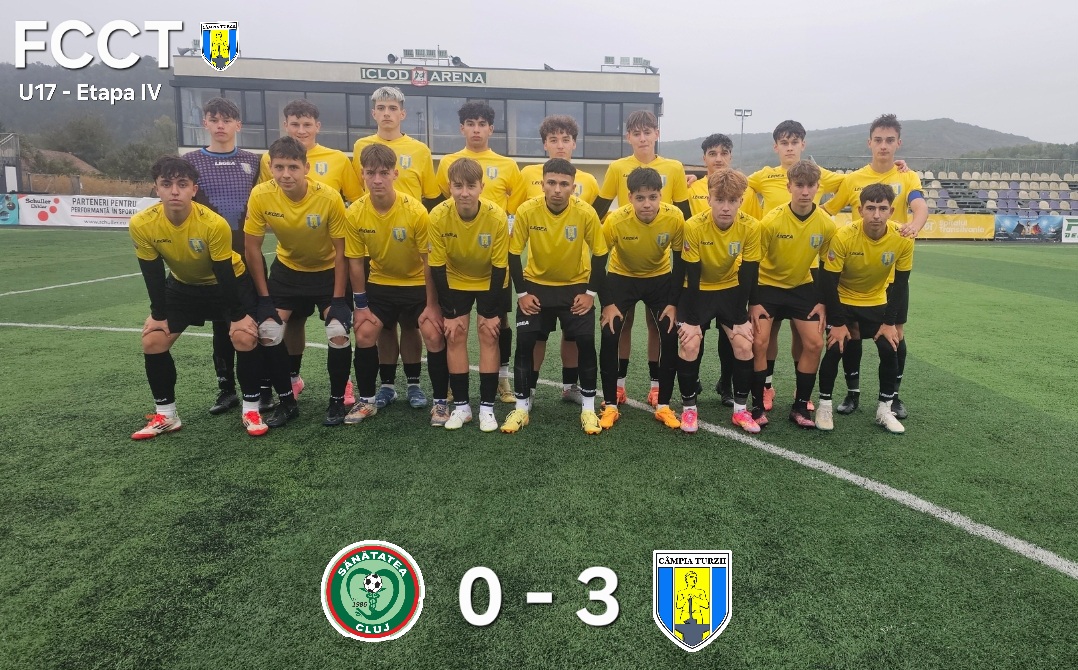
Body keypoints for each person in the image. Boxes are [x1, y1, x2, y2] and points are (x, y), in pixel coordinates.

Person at [129, 156, 271, 439]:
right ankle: (166, 415)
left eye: (182, 184)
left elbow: (223, 272)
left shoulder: (213, 224)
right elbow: (153, 273)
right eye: (166, 184)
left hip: (228, 283)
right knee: (153, 340)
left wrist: (237, 316)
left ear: (194, 189)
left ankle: (251, 410)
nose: (174, 191)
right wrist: (158, 315)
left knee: (244, 337)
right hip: (183, 287)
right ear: (156, 188)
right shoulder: (142, 224)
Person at [821, 114, 927, 420]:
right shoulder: (853, 180)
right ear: (869, 143)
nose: (883, 145)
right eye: (878, 140)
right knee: (851, 335)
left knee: (895, 336)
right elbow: (826, 211)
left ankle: (893, 398)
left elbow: (919, 205)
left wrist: (914, 226)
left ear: (898, 143)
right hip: (855, 273)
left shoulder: (908, 177)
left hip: (891, 275)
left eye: (889, 140)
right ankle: (852, 393)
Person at [258, 99, 362, 402]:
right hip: (290, 263)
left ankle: (344, 382)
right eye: (295, 124)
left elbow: (356, 201)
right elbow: (270, 199)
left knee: (338, 326)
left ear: (317, 126)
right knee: (293, 321)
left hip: (330, 263)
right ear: (285, 125)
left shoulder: (337, 159)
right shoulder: (270, 158)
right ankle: (293, 377)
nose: (301, 130)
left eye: (307, 124)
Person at [244, 136, 351, 427]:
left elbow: (342, 251)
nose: (286, 174)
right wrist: (264, 299)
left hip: (327, 272)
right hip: (288, 272)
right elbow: (252, 249)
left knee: (338, 331)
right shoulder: (260, 195)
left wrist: (339, 300)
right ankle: (287, 402)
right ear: (270, 167)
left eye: (293, 167)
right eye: (279, 167)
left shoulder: (328, 197)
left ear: (306, 167)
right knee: (268, 331)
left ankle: (337, 401)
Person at [592, 110, 692, 408]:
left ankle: (656, 386)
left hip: (659, 262)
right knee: (620, 325)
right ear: (629, 137)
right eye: (637, 133)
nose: (643, 138)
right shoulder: (617, 168)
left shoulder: (673, 167)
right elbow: (599, 208)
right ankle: (618, 386)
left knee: (656, 326)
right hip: (624, 261)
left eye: (648, 132)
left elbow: (686, 215)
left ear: (657, 134)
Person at [500, 158, 608, 435]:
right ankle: (522, 407)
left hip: (575, 287)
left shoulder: (585, 212)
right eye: (551, 183)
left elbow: (600, 253)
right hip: (536, 287)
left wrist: (590, 293)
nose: (557, 189)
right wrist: (522, 293)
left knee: (585, 342)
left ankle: (588, 409)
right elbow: (513, 253)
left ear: (573, 187)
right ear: (543, 184)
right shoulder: (527, 210)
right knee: (526, 343)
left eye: (563, 184)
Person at [343, 144, 448, 426]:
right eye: (370, 173)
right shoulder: (355, 212)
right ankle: (370, 399)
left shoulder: (415, 211)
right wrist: (361, 305)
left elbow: (429, 262)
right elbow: (355, 262)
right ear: (362, 175)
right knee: (366, 332)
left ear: (395, 174)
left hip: (417, 284)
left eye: (383, 173)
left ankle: (438, 402)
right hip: (380, 283)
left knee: (432, 333)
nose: (377, 179)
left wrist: (432, 305)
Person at [746, 121, 844, 414]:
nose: (805, 191)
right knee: (761, 340)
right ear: (788, 187)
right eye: (799, 186)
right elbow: (753, 262)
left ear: (818, 187)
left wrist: (823, 301)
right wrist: (753, 300)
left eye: (810, 186)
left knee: (813, 342)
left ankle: (800, 403)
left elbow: (827, 267)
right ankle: (761, 396)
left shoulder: (826, 224)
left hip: (803, 284)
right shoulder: (771, 220)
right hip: (768, 285)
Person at [352, 86, 440, 411]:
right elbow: (358, 192)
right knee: (384, 327)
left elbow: (431, 197)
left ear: (402, 113)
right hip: (379, 252)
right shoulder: (361, 146)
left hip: (413, 248)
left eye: (392, 107)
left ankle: (414, 385)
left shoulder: (420, 149)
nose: (387, 113)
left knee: (412, 326)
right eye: (381, 107)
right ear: (373, 112)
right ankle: (386, 385)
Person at [435, 101, 525, 404]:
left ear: (491, 129)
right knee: (453, 326)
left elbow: (515, 208)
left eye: (482, 124)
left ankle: (502, 379)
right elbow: (443, 203)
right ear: (462, 128)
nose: (476, 129)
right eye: (470, 123)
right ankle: (452, 384)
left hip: (495, 256)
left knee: (499, 323)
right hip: (458, 258)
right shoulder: (448, 162)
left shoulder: (508, 165)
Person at [182, 97, 261, 416]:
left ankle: (260, 388)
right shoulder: (190, 161)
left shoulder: (254, 161)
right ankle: (226, 389)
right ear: (205, 123)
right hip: (210, 256)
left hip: (247, 253)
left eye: (226, 120)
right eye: (214, 119)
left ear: (238, 125)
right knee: (221, 324)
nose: (220, 126)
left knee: (253, 320)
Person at [816, 183, 914, 434]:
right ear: (860, 210)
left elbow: (900, 284)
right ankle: (824, 406)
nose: (876, 215)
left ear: (891, 211)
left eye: (882, 208)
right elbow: (829, 282)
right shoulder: (844, 236)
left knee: (890, 347)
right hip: (844, 298)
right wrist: (838, 323)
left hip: (876, 299)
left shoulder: (902, 238)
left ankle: (885, 409)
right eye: (870, 208)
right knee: (835, 347)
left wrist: (889, 323)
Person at [519, 115, 600, 404]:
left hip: (575, 275)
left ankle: (570, 386)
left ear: (574, 143)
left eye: (566, 139)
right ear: (545, 144)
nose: (560, 145)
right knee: (536, 336)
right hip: (538, 275)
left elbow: (593, 222)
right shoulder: (527, 175)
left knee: (573, 334)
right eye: (553, 139)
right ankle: (528, 389)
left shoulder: (588, 181)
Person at [597, 167, 684, 431]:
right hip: (622, 277)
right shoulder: (615, 221)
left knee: (669, 333)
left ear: (661, 196)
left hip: (659, 278)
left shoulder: (675, 217)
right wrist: (607, 304)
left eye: (653, 197)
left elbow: (680, 263)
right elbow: (598, 262)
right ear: (630, 198)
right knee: (610, 332)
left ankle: (663, 403)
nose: (647, 204)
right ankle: (611, 401)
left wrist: (673, 303)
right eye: (640, 198)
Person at [676, 169, 761, 434]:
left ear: (741, 201)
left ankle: (740, 410)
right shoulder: (693, 226)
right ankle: (689, 409)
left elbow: (749, 273)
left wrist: (741, 318)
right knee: (690, 343)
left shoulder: (751, 227)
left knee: (744, 344)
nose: (726, 207)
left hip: (730, 290)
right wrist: (691, 321)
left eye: (732, 201)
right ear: (709, 199)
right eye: (720, 200)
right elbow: (692, 274)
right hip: (696, 290)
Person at [428, 157, 509, 430]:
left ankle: (487, 408)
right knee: (455, 334)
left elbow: (499, 267)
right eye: (458, 186)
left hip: (490, 280)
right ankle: (462, 407)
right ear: (449, 187)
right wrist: (450, 314)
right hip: (455, 279)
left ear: (481, 187)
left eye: (471, 186)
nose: (464, 192)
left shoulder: (496, 217)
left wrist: (491, 312)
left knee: (489, 333)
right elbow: (437, 267)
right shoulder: (437, 216)